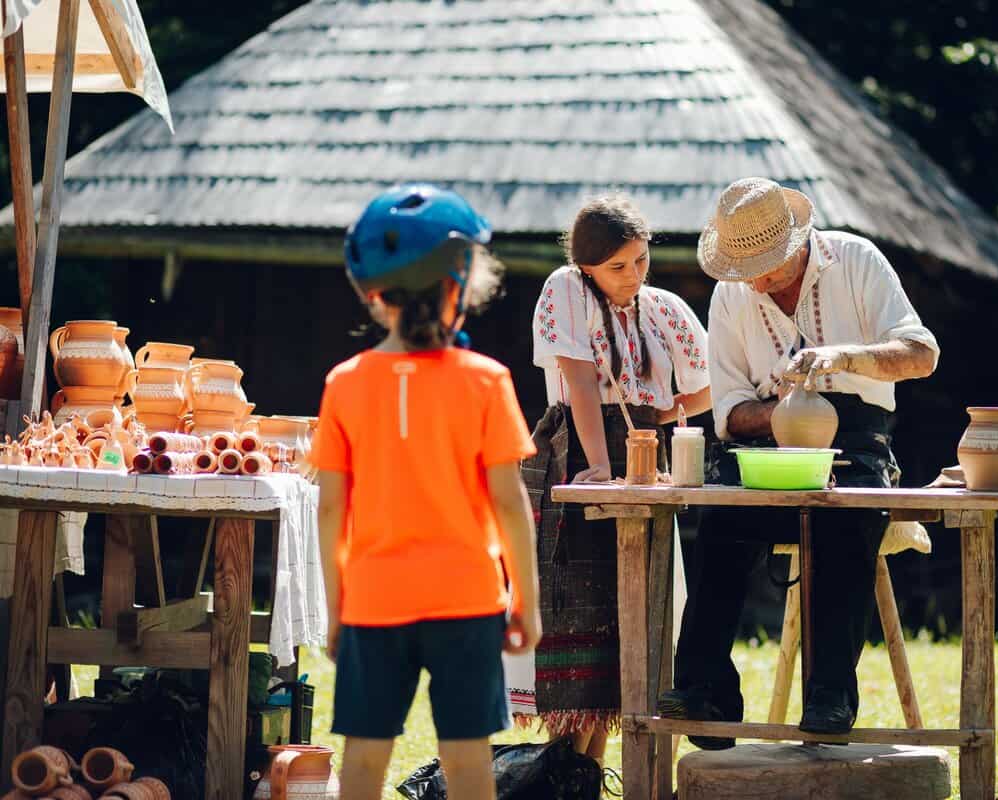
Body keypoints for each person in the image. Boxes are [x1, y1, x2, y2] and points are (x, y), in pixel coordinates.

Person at [658, 177, 940, 748]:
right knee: (721, 515)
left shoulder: (855, 260)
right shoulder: (732, 292)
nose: (756, 280)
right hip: (767, 448)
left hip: (857, 443)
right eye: (747, 267)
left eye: (768, 265)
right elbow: (730, 412)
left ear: (796, 239)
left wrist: (844, 357)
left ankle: (830, 695)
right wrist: (783, 412)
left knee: (843, 511)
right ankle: (705, 690)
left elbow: (923, 354)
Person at [311, 183, 542, 800]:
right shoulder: (487, 381)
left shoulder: (344, 384)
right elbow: (510, 505)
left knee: (362, 764)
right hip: (467, 598)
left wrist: (336, 611)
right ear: (458, 283)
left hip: (373, 599)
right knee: (467, 765)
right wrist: (525, 601)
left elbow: (330, 509)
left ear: (373, 294)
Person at [514, 195, 711, 766]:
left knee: (630, 626)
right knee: (580, 627)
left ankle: (587, 774)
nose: (633, 277)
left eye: (641, 261)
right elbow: (578, 380)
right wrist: (598, 465)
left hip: (643, 456)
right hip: (577, 451)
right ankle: (564, 773)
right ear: (587, 266)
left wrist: (655, 423)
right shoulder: (566, 289)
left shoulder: (664, 307)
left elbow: (708, 385)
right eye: (618, 266)